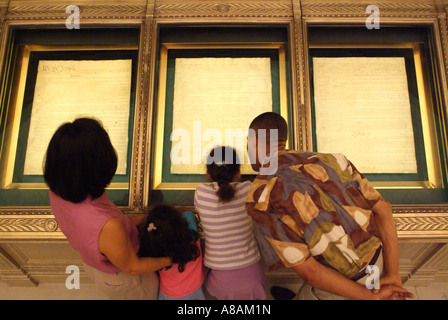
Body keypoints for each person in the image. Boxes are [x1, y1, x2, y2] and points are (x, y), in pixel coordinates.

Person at [245, 112, 413, 300]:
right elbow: (382, 208)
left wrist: (369, 296)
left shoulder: (260, 196)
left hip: (337, 287)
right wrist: (393, 274)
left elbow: (312, 273)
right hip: (379, 264)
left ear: (253, 139)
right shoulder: (335, 160)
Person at [44, 117, 171, 300]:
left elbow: (93, 235)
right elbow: (132, 267)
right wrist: (171, 259)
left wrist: (131, 223)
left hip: (97, 265)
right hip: (124, 278)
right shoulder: (109, 226)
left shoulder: (58, 189)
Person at [195, 146, 266, 300]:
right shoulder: (248, 189)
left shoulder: (200, 193)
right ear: (238, 173)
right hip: (253, 275)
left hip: (221, 280)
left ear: (208, 174)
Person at [138, 205, 205, 300]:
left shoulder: (153, 249)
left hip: (169, 293)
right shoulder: (192, 238)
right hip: (194, 289)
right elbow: (187, 212)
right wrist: (175, 211)